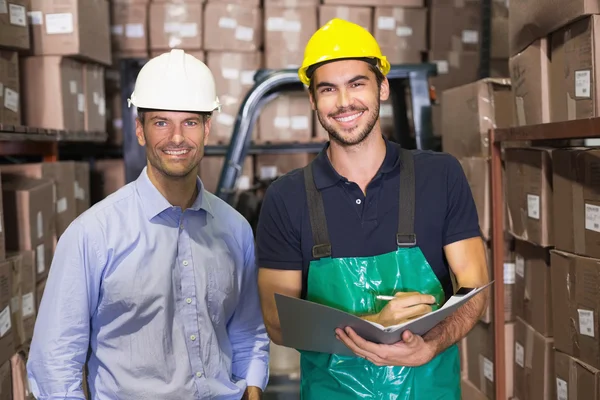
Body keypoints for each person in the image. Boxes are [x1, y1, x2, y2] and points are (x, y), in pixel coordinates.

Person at [255, 19, 489, 399]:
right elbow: (278, 323)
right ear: (313, 99)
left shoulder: (440, 176)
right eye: (328, 89)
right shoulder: (287, 198)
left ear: (381, 87)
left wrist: (431, 343)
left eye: (357, 83)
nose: (344, 102)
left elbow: (474, 289)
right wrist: (373, 325)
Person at [27, 49, 270, 400]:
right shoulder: (92, 235)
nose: (176, 137)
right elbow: (55, 361)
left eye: (190, 122)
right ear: (140, 131)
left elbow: (248, 333)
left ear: (207, 130)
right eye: (161, 122)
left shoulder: (235, 229)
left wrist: (252, 387)